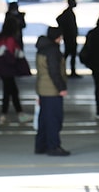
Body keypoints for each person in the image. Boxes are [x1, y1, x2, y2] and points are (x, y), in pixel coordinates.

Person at [34, 26, 70, 156]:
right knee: (54, 119)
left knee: (44, 119)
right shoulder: (53, 51)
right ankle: (53, 146)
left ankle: (41, 145)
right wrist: (61, 88)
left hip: (42, 89)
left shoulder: (42, 49)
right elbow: (54, 72)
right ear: (57, 37)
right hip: (52, 90)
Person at [0, 16, 32, 125]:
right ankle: (7, 115)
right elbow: (10, 56)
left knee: (12, 92)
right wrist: (17, 66)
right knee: (9, 92)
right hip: (7, 70)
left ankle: (17, 114)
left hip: (0, 69)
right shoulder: (10, 39)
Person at [56, 0, 80, 78]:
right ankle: (66, 70)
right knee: (69, 54)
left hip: (70, 36)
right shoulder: (68, 12)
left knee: (70, 54)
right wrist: (65, 30)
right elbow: (58, 19)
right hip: (70, 37)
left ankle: (68, 70)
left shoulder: (69, 12)